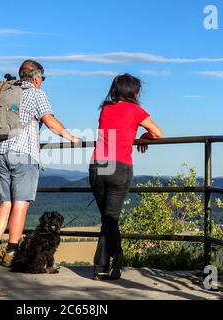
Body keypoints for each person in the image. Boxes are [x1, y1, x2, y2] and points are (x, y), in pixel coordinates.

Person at [0, 59, 79, 267]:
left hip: (0, 151)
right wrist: (70, 136)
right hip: (23, 153)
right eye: (42, 78)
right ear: (36, 77)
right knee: (20, 204)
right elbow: (49, 120)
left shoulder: (8, 91)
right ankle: (11, 251)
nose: (42, 81)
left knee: (6, 202)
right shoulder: (37, 94)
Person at [89, 73, 163, 280]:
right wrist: (143, 137)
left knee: (108, 219)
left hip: (98, 165)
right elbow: (158, 133)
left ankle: (117, 261)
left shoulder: (105, 108)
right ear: (134, 92)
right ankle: (101, 267)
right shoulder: (136, 110)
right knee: (110, 220)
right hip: (120, 167)